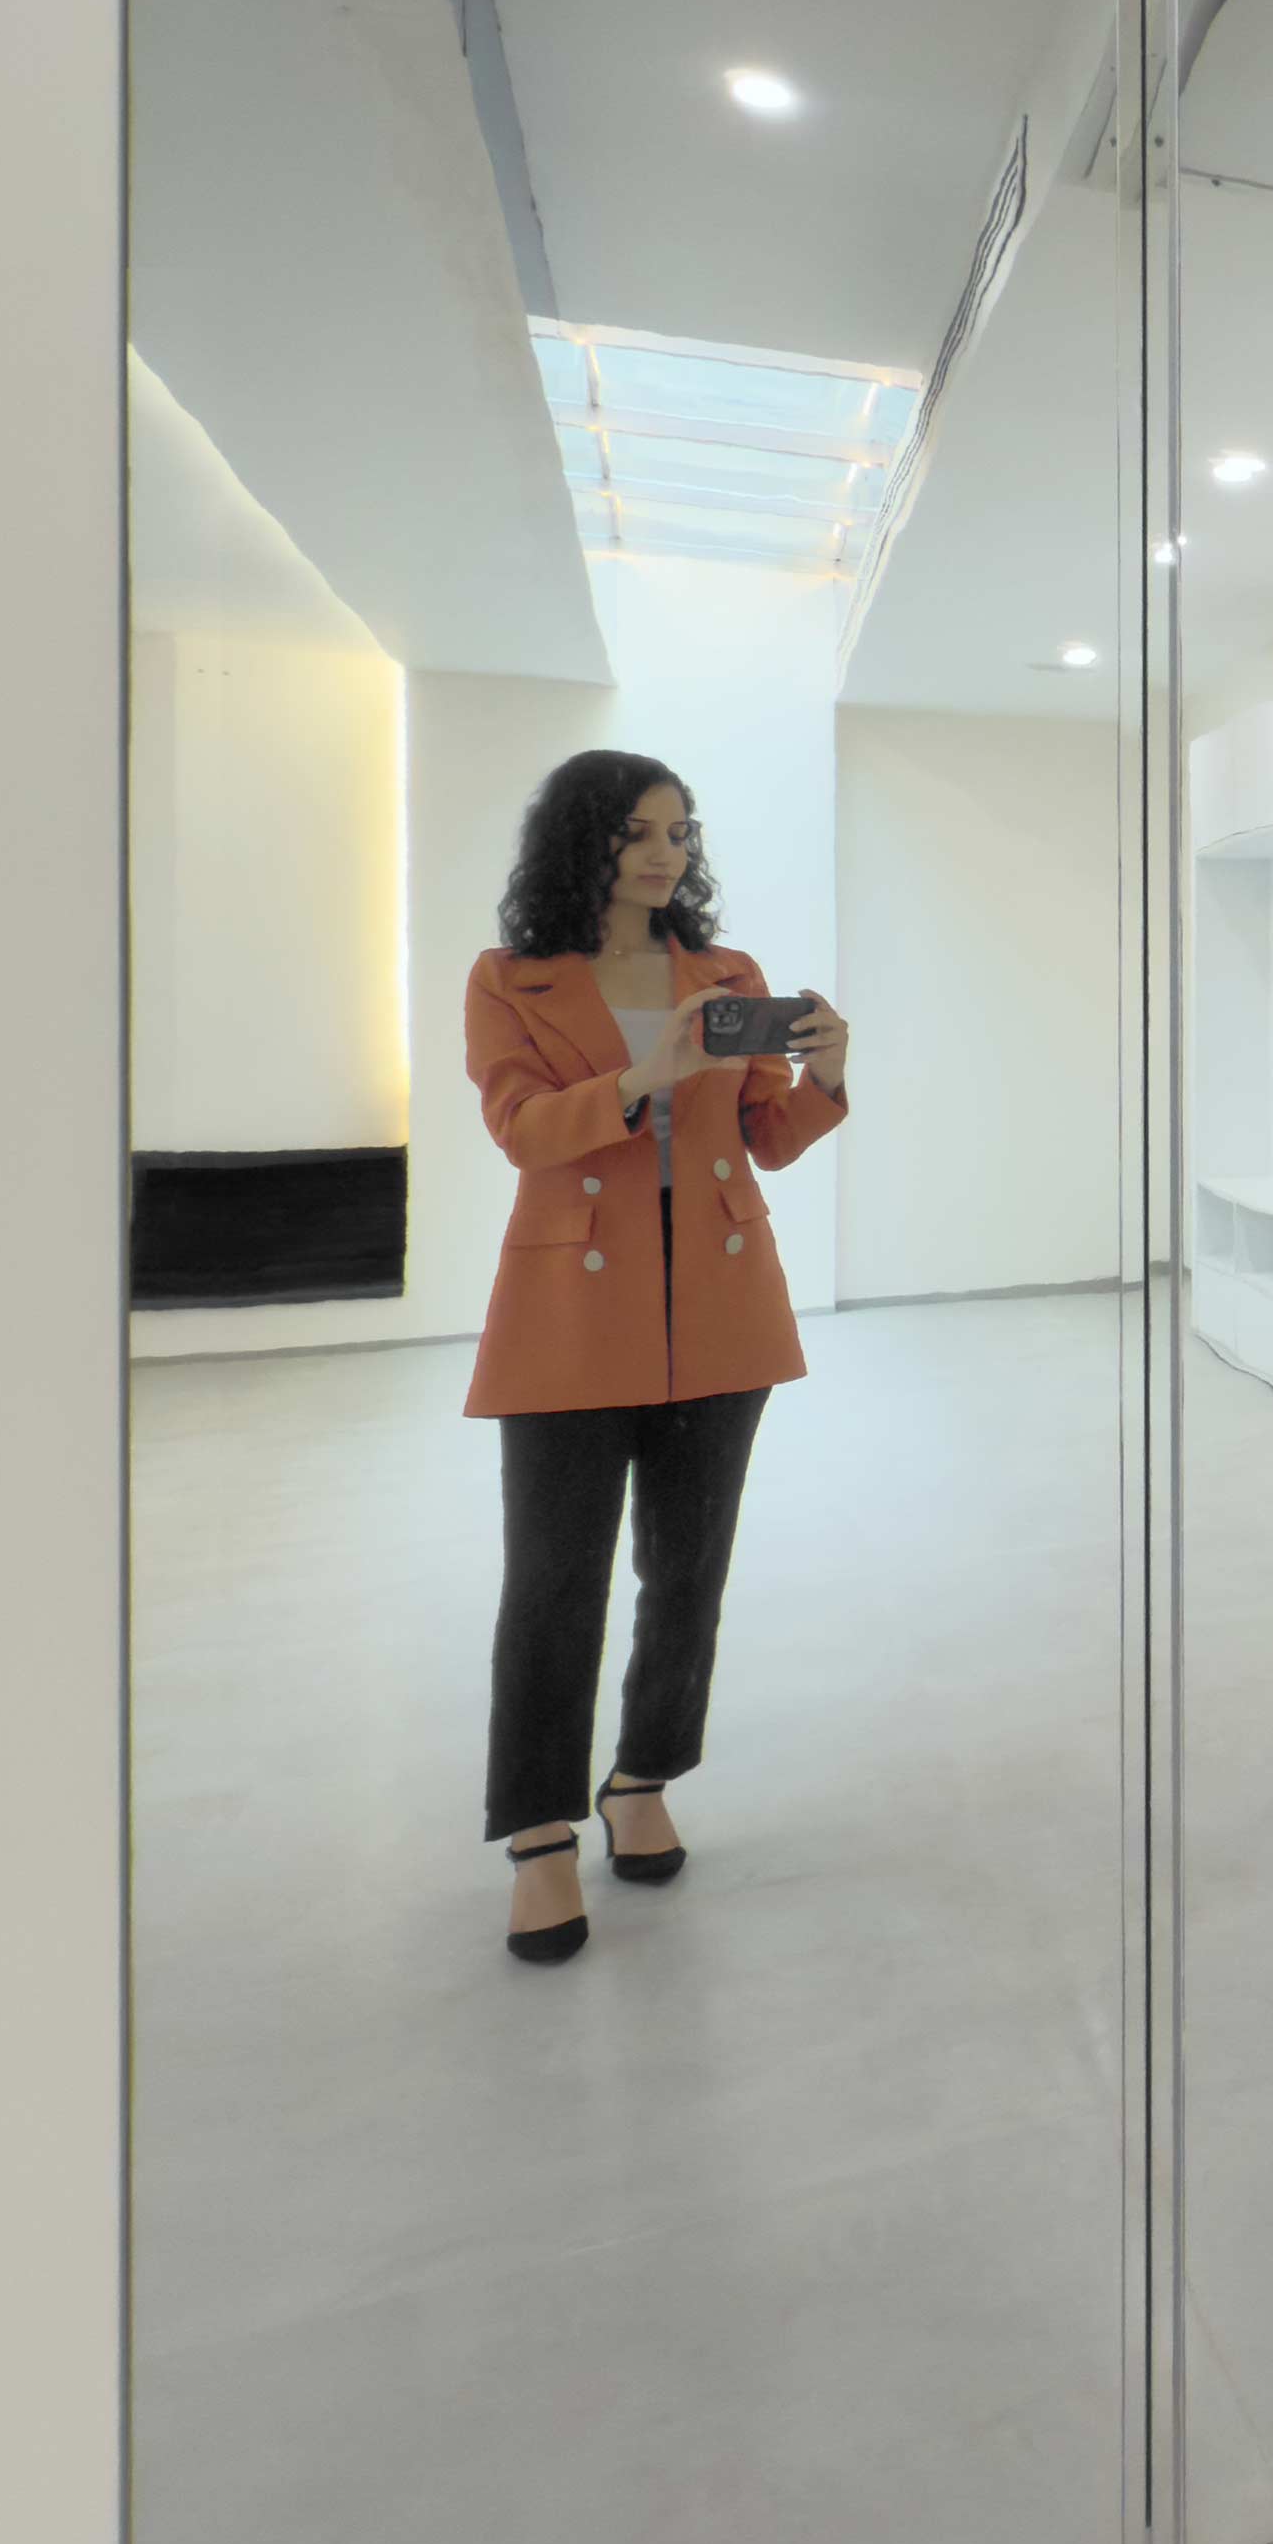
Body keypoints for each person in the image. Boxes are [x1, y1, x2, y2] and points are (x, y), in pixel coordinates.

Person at [461, 755, 850, 1963]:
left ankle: (642, 1778)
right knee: (553, 1582)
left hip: (720, 1303)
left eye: (679, 831)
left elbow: (767, 1136)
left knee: (687, 1572)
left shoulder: (727, 973)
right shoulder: (509, 979)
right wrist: (644, 1077)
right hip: (572, 1312)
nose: (663, 853)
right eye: (636, 831)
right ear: (581, 841)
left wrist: (828, 1076)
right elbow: (522, 1129)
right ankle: (539, 1831)